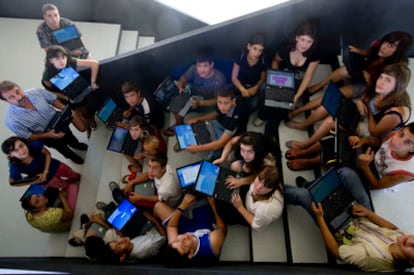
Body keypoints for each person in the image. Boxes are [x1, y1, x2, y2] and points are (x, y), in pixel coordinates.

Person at [285, 63, 411, 170]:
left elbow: (374, 131)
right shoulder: (378, 86)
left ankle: (305, 147)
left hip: (373, 131)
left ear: (397, 86)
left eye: (388, 80)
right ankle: (305, 135)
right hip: (365, 115)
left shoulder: (397, 112)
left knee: (332, 122)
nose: (381, 82)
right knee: (334, 105)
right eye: (381, 77)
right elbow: (365, 97)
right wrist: (361, 102)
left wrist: (368, 109)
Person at [288, 31, 413, 130]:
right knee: (344, 71)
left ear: (398, 51)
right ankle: (315, 91)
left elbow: (381, 89)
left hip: (371, 87)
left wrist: (368, 81)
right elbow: (369, 52)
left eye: (390, 46)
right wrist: (358, 51)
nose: (384, 47)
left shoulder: (394, 68)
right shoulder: (378, 46)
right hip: (365, 75)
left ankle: (304, 124)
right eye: (385, 42)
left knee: (334, 96)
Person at [255, 21, 320, 136]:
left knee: (284, 105)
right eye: (302, 40)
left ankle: (271, 129)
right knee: (265, 89)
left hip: (296, 83)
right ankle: (263, 114)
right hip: (281, 77)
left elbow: (308, 77)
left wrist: (297, 96)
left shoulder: (314, 55)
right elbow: (275, 61)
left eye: (309, 41)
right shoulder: (285, 49)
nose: (304, 45)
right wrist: (275, 79)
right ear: (297, 38)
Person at [0, 80, 88, 164]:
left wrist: (63, 108)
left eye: (17, 91)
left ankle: (76, 145)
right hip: (46, 136)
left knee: (69, 135)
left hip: (59, 120)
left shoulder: (36, 92)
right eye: (12, 97)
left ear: (19, 87)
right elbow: (27, 136)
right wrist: (48, 135)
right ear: (6, 101)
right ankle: (72, 156)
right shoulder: (11, 121)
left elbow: (52, 99)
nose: (19, 97)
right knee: (62, 148)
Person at [313, 202, 414, 272]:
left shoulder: (371, 257)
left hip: (341, 228)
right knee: (347, 174)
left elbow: (335, 251)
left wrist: (320, 218)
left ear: (411, 262)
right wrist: (368, 213)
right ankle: (309, 186)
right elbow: (394, 228)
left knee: (304, 196)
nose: (411, 241)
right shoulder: (404, 240)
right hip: (361, 217)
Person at [163, 47, 227, 136]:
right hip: (196, 92)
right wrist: (180, 84)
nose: (201, 69)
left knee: (184, 108)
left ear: (211, 65)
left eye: (205, 66)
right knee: (175, 101)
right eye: (199, 66)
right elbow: (184, 77)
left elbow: (218, 100)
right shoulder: (194, 69)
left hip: (208, 101)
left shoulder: (219, 79)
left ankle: (184, 132)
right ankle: (179, 125)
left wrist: (200, 103)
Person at [2, 137, 80, 204]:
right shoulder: (15, 166)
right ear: (10, 155)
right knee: (64, 185)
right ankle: (72, 186)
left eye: (21, 146)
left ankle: (77, 178)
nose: (21, 151)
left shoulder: (34, 145)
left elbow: (47, 154)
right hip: (45, 180)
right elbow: (12, 183)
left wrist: (45, 171)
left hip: (55, 165)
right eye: (15, 150)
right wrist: (34, 182)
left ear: (24, 143)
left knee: (72, 174)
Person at [154, 194, 227, 266]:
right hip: (205, 223)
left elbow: (171, 226)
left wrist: (182, 206)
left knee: (158, 207)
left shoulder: (175, 246)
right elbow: (222, 228)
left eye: (177, 240)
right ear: (191, 254)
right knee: (201, 197)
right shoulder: (212, 242)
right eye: (184, 246)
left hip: (187, 227)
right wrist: (214, 208)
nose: (183, 238)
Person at [42, 45, 99, 135]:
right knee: (78, 113)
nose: (62, 61)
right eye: (57, 58)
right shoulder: (47, 76)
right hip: (65, 96)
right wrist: (65, 97)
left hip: (78, 89)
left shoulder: (69, 61)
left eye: (63, 57)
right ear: (50, 60)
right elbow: (50, 91)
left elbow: (94, 63)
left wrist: (93, 82)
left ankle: (91, 121)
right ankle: (88, 127)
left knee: (85, 109)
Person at [185, 87, 248, 160]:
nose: (222, 107)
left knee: (214, 152)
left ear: (233, 101)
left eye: (226, 103)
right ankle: (186, 144)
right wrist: (198, 119)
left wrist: (198, 149)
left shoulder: (236, 116)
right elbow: (216, 113)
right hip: (220, 122)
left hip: (231, 133)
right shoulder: (223, 101)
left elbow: (220, 143)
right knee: (198, 126)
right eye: (219, 102)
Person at [349, 122, 414, 189]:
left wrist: (365, 166)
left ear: (413, 149)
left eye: (407, 142)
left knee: (346, 173)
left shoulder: (406, 172)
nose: (396, 141)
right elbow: (380, 142)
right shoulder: (395, 133)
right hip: (372, 157)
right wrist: (363, 141)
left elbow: (377, 185)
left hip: (377, 176)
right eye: (401, 134)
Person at [223, 166, 284, 232]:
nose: (258, 187)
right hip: (248, 196)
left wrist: (240, 208)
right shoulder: (263, 180)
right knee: (227, 185)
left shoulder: (265, 210)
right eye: (259, 180)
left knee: (225, 213)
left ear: (272, 190)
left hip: (249, 213)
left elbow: (256, 226)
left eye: (266, 186)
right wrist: (240, 182)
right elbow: (253, 177)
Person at [231, 33, 267, 114]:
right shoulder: (241, 56)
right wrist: (242, 89)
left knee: (252, 106)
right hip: (240, 86)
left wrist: (256, 88)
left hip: (253, 88)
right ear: (249, 46)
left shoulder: (263, 60)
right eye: (255, 49)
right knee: (234, 103)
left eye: (260, 50)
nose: (257, 53)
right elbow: (234, 77)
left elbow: (262, 78)